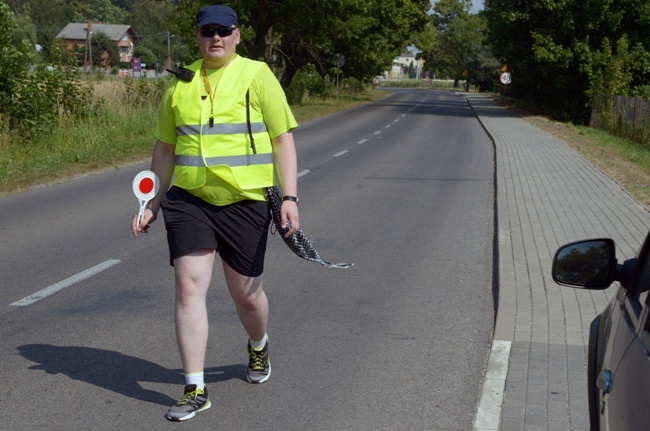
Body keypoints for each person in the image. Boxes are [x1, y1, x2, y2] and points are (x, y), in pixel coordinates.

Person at [131, 4, 299, 422]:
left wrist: (291, 198)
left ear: (237, 35)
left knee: (246, 294)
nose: (216, 38)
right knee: (189, 287)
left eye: (223, 31)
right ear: (197, 36)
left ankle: (258, 345)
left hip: (246, 201)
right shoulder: (180, 82)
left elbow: (282, 140)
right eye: (208, 31)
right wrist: (152, 202)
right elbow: (165, 148)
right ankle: (195, 388)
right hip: (190, 201)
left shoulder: (257, 75)